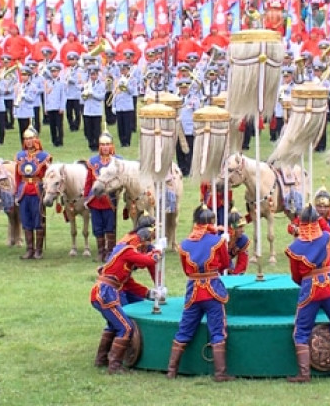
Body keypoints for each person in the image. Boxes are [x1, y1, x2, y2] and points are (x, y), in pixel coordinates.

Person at [166, 205, 234, 382]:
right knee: (217, 329)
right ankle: (220, 373)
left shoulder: (184, 244)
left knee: (184, 329)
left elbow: (186, 270)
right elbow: (225, 263)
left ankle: (171, 370)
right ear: (211, 222)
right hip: (212, 290)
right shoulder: (217, 241)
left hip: (194, 291)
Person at [285, 205, 330, 382]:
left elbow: (296, 275)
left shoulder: (294, 247)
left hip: (310, 288)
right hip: (329, 285)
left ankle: (304, 374)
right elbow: (328, 230)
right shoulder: (327, 237)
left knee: (301, 331)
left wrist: (305, 281)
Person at [91, 221, 161, 374]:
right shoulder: (128, 250)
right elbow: (149, 260)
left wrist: (148, 293)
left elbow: (128, 283)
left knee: (113, 325)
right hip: (105, 293)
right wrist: (157, 252)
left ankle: (101, 359)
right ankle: (114, 366)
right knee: (126, 328)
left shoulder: (126, 252)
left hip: (105, 292)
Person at [14, 125, 52, 259]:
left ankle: (38, 250)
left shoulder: (44, 156)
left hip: (37, 190)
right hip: (24, 191)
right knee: (26, 220)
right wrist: (16, 192)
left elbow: (48, 176)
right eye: (26, 139)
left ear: (36, 139)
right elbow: (17, 177)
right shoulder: (20, 156)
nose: (29, 141)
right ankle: (29, 249)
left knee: (38, 220)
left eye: (31, 138)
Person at [84, 131, 120, 262]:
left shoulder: (117, 161)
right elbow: (88, 181)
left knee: (110, 226)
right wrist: (86, 197)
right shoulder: (93, 162)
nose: (105, 147)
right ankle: (100, 252)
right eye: (102, 144)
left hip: (110, 199)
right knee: (97, 227)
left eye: (107, 144)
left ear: (111, 146)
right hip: (95, 200)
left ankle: (110, 252)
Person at [82, 65, 106, 152]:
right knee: (88, 129)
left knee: (96, 130)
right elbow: (82, 98)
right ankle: (91, 144)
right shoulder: (87, 84)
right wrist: (84, 94)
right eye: (92, 75)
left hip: (96, 110)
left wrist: (93, 94)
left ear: (97, 75)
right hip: (87, 110)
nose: (93, 76)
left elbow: (102, 96)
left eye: (95, 74)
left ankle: (97, 145)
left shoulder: (102, 84)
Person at [44, 62, 67, 147]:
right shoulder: (47, 82)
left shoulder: (61, 83)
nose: (54, 73)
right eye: (52, 71)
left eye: (56, 71)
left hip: (58, 107)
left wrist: (62, 107)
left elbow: (63, 96)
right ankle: (54, 140)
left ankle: (60, 141)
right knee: (52, 125)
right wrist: (46, 108)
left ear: (58, 72)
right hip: (50, 107)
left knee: (59, 125)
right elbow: (45, 96)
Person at [226, 208, 249, 275]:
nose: (243, 230)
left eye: (242, 227)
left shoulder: (243, 240)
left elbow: (242, 263)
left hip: (228, 265)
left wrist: (235, 275)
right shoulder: (219, 237)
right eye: (239, 227)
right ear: (231, 228)